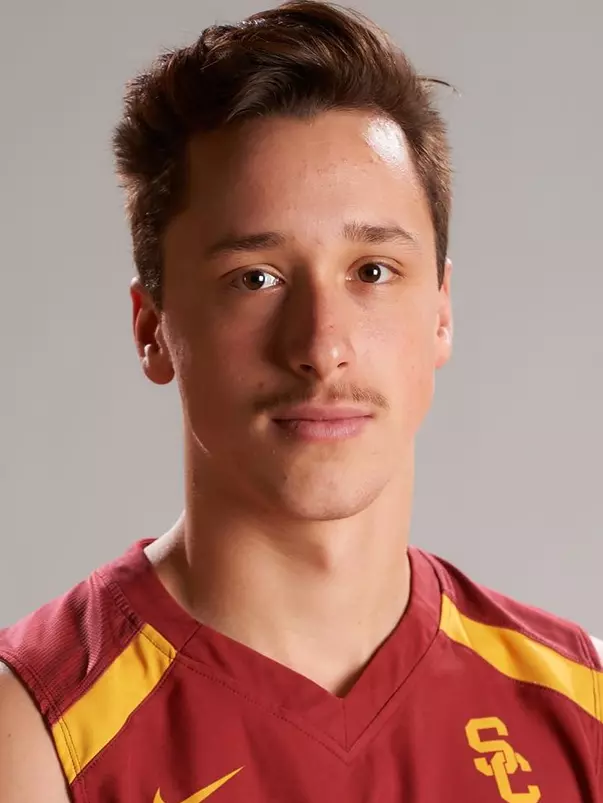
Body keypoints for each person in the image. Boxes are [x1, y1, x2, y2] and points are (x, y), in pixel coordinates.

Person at [1, 2, 601, 801]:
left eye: (372, 271)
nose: (321, 344)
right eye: (255, 278)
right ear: (152, 330)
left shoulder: (582, 708)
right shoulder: (35, 735)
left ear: (441, 312)